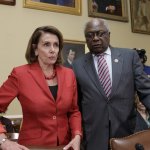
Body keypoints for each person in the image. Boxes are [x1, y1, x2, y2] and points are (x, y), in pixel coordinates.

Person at [72, 18, 150, 150]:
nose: (95, 38)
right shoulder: (77, 65)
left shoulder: (129, 57)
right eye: (90, 35)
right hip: (94, 136)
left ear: (109, 34)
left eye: (100, 33)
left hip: (129, 133)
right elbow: (76, 104)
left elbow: (146, 91)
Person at [0, 26, 82, 150]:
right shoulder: (20, 74)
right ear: (35, 49)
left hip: (65, 146)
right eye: (46, 45)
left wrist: (77, 135)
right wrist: (3, 141)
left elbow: (74, 111)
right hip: (31, 147)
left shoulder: (69, 74)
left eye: (56, 45)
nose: (53, 50)